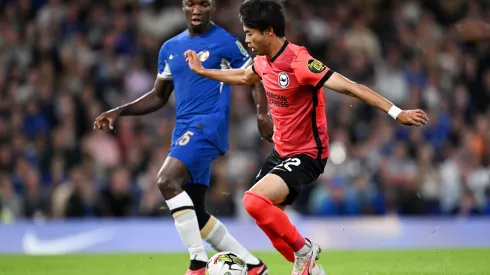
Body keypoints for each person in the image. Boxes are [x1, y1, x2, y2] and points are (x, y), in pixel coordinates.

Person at [184, 1, 429, 274]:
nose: (247, 39)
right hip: (281, 152)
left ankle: (305, 251)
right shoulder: (263, 62)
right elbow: (244, 76)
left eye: (250, 33)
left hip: (308, 154)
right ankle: (312, 269)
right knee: (265, 219)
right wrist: (204, 72)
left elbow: (350, 87)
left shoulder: (300, 62)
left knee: (253, 201)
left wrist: (397, 112)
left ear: (268, 31)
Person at [93, 1, 271, 275]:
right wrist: (121, 110)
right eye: (190, 3)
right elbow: (159, 96)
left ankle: (197, 264)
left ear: (212, 6)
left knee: (166, 181)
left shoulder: (225, 42)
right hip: (184, 131)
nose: (196, 9)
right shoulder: (170, 48)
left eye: (203, 3)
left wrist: (262, 114)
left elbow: (255, 75)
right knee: (196, 214)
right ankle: (252, 265)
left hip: (209, 126)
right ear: (183, 6)